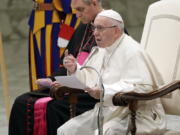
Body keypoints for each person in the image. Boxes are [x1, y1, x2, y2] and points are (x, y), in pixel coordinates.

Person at [57, 9, 166, 135]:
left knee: (105, 132)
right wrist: (75, 69)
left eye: (100, 28)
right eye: (94, 28)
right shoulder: (102, 49)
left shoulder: (132, 51)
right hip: (107, 111)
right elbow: (91, 77)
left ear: (116, 31)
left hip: (136, 113)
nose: (95, 33)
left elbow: (142, 87)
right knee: (66, 130)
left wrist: (104, 90)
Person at [9, 0, 103, 135]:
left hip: (92, 92)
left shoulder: (110, 26)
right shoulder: (84, 27)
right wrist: (51, 79)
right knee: (21, 102)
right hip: (73, 84)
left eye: (80, 10)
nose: (77, 15)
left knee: (50, 108)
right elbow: (66, 63)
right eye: (75, 10)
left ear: (94, 3)